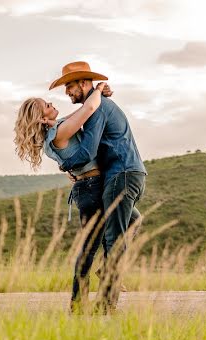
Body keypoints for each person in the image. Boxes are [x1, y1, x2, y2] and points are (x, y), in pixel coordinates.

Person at [13, 69, 139, 312]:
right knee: (90, 246)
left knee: (133, 220)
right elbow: (88, 110)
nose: (53, 103)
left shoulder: (57, 129)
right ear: (41, 117)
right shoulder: (59, 132)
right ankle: (78, 302)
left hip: (93, 184)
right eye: (48, 104)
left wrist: (97, 94)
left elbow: (79, 113)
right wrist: (100, 90)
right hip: (90, 188)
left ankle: (105, 271)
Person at [49, 61, 147, 312]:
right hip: (127, 173)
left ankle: (107, 303)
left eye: (69, 86)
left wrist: (67, 166)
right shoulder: (96, 104)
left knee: (114, 238)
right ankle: (108, 271)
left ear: (83, 83)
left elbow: (87, 150)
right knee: (132, 221)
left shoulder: (98, 108)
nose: (67, 93)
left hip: (120, 175)